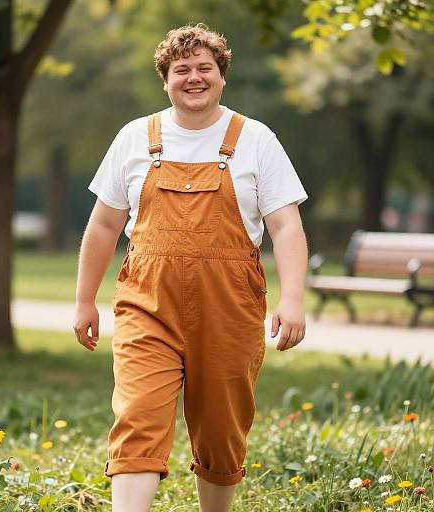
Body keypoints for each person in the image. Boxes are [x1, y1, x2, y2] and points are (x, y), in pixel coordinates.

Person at [74, 23, 308, 512]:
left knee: (222, 429)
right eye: (182, 69)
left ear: (222, 76)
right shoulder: (135, 137)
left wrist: (292, 299)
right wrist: (83, 300)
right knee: (137, 415)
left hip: (230, 309)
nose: (194, 77)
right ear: (166, 80)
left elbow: (286, 226)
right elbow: (102, 227)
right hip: (147, 305)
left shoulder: (256, 139)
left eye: (205, 68)